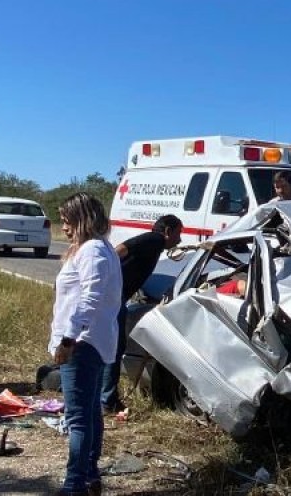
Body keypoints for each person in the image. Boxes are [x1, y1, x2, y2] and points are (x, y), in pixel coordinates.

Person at [49, 193, 122, 496]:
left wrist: (68, 340)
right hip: (89, 340)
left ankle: (73, 484)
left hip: (82, 343)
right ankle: (89, 476)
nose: (64, 227)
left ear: (83, 219)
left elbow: (89, 299)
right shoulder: (95, 249)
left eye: (67, 221)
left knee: (78, 418)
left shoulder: (93, 251)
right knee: (90, 412)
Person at [100, 214, 183, 414]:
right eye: (178, 234)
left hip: (114, 297)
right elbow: (120, 249)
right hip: (113, 298)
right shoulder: (154, 239)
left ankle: (105, 398)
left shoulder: (155, 246)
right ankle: (107, 400)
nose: (179, 240)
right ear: (167, 231)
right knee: (114, 347)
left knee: (110, 347)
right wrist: (106, 275)